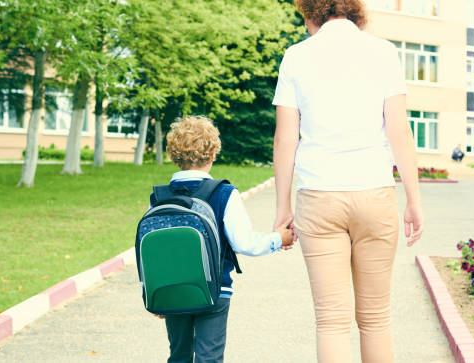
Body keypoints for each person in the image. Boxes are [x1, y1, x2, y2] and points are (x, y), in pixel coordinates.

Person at [272, 1, 424, 362]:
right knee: (375, 319)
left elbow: (284, 138)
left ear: (311, 11)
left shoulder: (295, 56)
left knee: (331, 322)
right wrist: (414, 200)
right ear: (354, 11)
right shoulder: (384, 52)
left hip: (319, 197)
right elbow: (400, 130)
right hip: (374, 194)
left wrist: (283, 207)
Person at [152, 116, 294, 363]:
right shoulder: (224, 193)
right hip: (214, 291)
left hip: (172, 291)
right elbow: (244, 243)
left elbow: (155, 253)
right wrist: (278, 239)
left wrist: (158, 293)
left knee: (178, 356)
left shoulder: (159, 197)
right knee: (209, 358)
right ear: (213, 153)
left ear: (173, 154)